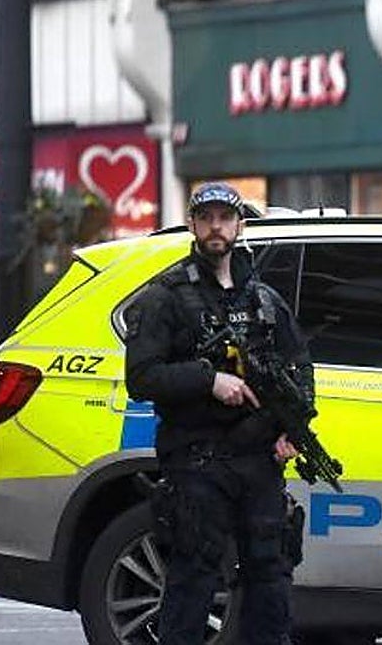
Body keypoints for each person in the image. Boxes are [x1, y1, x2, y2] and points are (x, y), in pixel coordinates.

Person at [125, 182, 312, 645]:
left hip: (259, 461)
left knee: (270, 575)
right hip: (197, 461)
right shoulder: (165, 297)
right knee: (193, 578)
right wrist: (209, 379)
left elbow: (299, 368)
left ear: (239, 225)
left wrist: (294, 429)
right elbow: (142, 377)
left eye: (224, 219)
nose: (215, 227)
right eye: (206, 218)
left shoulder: (265, 301)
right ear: (192, 225)